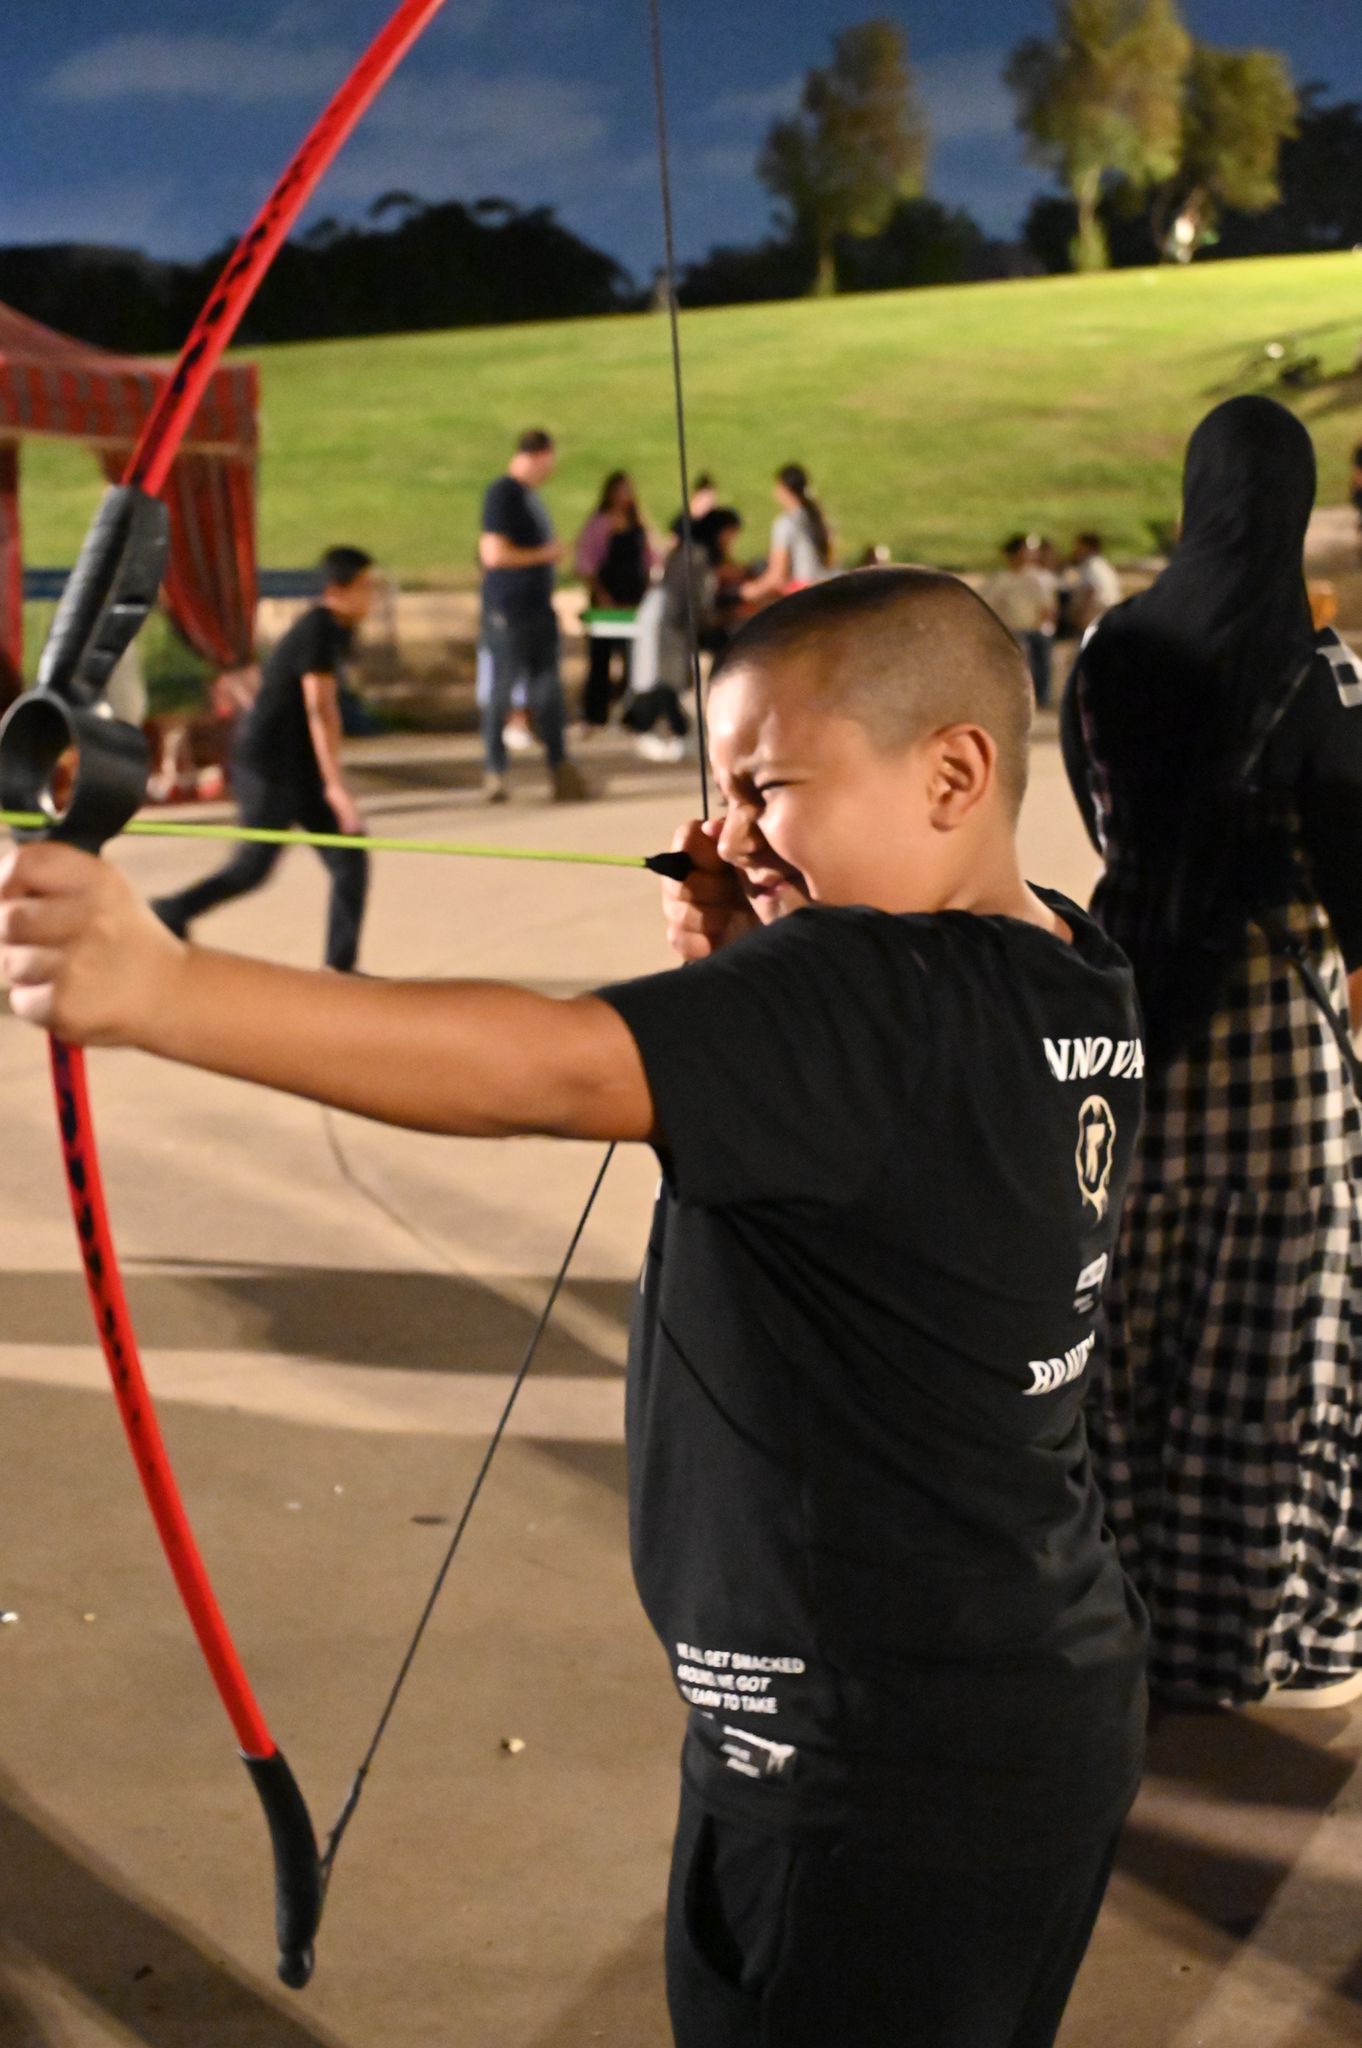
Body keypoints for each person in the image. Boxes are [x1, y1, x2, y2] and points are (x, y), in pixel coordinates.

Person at [3, 566, 1148, 2048]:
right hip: (1027, 1710)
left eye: (768, 786)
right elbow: (894, 1149)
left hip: (861, 1774)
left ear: (951, 771)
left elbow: (544, 1065)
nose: (728, 834)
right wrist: (752, 983)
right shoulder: (1071, 962)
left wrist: (156, 989)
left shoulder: (864, 989)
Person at [1062, 395, 1362, 1709]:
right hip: (1281, 1072)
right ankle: (1263, 1640)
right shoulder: (1326, 674)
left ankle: (1128, 1627)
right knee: (1271, 1363)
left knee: (1125, 1351)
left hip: (1129, 1034)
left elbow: (1101, 827)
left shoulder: (1104, 655)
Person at [150, 546, 375, 973]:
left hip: (299, 767)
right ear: (336, 592)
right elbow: (319, 711)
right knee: (252, 869)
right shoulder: (319, 630)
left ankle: (341, 968)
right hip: (269, 766)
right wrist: (335, 787)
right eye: (365, 587)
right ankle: (170, 910)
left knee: (350, 860)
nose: (372, 597)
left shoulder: (339, 629)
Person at [479, 428, 589, 804]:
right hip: (510, 610)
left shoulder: (528, 498)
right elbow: (493, 554)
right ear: (538, 455)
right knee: (503, 689)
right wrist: (547, 554)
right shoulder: (503, 494)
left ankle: (561, 768)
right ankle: (495, 769)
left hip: (537, 607)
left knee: (548, 691)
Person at [625, 512, 744, 761]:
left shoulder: (686, 553)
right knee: (661, 681)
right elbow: (698, 602)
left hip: (666, 620)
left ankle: (674, 730)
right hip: (665, 622)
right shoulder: (696, 557)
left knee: (664, 681)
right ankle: (656, 729)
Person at [575, 471, 656, 728]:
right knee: (601, 659)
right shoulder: (600, 524)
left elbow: (651, 559)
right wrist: (601, 594)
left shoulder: (638, 525)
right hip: (607, 598)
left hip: (634, 598)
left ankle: (632, 711)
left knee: (634, 659)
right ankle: (595, 713)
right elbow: (586, 563)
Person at [740, 464, 834, 603]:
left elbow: (777, 574)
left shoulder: (786, 523)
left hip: (802, 594)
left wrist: (749, 591)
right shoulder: (818, 518)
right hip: (825, 587)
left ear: (784, 489)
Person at [983, 535, 1056, 709]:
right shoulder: (1001, 579)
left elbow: (1047, 608)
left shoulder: (1038, 578)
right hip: (1012, 630)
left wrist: (1040, 626)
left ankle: (1042, 698)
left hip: (1036, 629)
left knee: (1039, 658)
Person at [1068, 532, 1122, 638]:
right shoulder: (1103, 566)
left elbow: (1091, 591)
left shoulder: (1091, 566)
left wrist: (1083, 616)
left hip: (1096, 616)